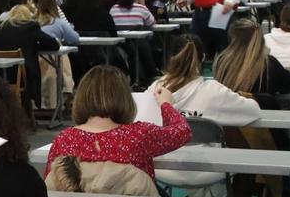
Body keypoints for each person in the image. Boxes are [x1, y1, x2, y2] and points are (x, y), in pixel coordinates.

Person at [44, 65, 191, 183]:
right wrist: (166, 104)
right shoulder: (139, 135)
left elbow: (50, 186)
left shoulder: (64, 140)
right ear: (125, 98)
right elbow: (182, 131)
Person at [212, 17, 290, 102]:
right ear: (260, 39)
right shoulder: (269, 63)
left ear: (231, 39)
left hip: (228, 113)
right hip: (263, 114)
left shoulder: (222, 61)